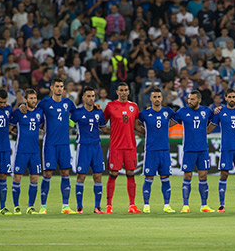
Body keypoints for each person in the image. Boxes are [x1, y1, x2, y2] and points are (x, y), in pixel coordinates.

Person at [20, 78, 77, 214]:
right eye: (57, 86)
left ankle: (65, 206)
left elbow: (76, 115)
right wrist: (23, 107)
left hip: (64, 143)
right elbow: (33, 113)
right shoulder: (45, 103)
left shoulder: (68, 103)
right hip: (50, 143)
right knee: (48, 173)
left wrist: (70, 125)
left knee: (65, 172)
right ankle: (43, 206)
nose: (59, 89)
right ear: (51, 88)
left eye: (61, 86)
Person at [172, 90, 220, 213]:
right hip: (188, 149)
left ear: (199, 100)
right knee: (187, 176)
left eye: (192, 99)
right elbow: (171, 122)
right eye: (189, 99)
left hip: (202, 149)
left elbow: (215, 119)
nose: (190, 101)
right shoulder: (182, 112)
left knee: (203, 176)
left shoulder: (206, 111)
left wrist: (208, 130)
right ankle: (185, 205)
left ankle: (204, 205)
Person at [103, 82, 144, 214]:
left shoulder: (134, 107)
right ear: (117, 92)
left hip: (130, 146)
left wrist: (150, 132)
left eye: (126, 90)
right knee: (113, 174)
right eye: (121, 90)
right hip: (116, 146)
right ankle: (109, 205)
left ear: (128, 92)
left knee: (131, 174)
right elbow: (102, 125)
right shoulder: (110, 106)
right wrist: (114, 132)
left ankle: (132, 205)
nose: (124, 92)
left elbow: (136, 126)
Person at [208, 88, 235, 213]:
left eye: (233, 97)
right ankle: (222, 205)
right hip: (226, 148)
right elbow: (209, 128)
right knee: (224, 174)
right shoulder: (220, 112)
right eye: (229, 97)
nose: (231, 99)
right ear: (225, 98)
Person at [137, 88, 176, 213]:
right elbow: (135, 124)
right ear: (151, 98)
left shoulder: (168, 111)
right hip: (151, 150)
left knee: (165, 178)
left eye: (159, 97)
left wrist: (166, 127)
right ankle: (146, 205)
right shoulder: (144, 114)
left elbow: (176, 120)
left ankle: (167, 205)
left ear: (162, 98)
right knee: (149, 178)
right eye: (155, 97)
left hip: (164, 150)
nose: (157, 99)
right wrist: (145, 131)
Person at [71, 87, 107, 214]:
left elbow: (104, 127)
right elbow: (69, 125)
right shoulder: (77, 112)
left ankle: (97, 207)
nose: (91, 98)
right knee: (81, 176)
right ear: (83, 98)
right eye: (88, 96)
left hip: (96, 147)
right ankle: (79, 206)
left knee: (98, 176)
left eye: (93, 96)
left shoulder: (99, 112)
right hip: (83, 147)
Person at [10, 89, 44, 215]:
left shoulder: (40, 112)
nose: (33, 100)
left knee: (34, 178)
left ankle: (31, 206)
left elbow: (42, 126)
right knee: (17, 177)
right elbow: (10, 127)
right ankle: (16, 206)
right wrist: (19, 134)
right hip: (21, 150)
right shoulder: (19, 112)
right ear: (25, 99)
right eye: (30, 98)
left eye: (34, 98)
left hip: (34, 151)